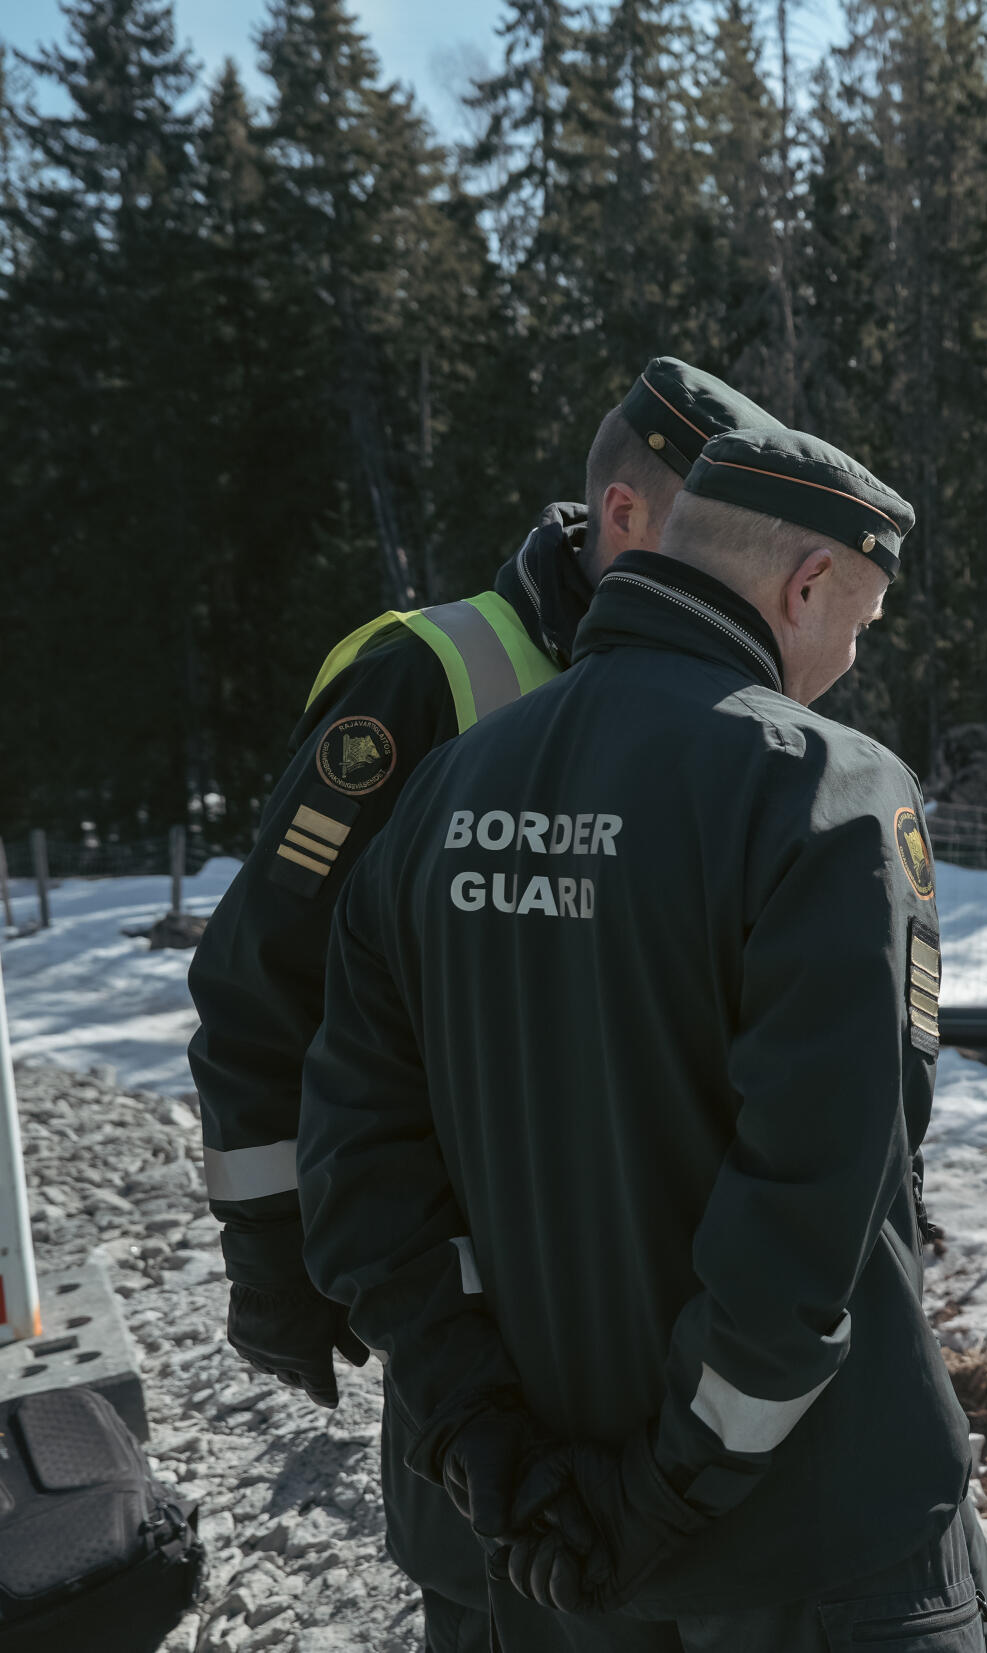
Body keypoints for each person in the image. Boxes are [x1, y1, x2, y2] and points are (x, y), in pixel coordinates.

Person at [296, 428, 987, 1652]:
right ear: (806, 583)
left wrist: (491, 1453)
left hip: (532, 1543)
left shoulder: (442, 793)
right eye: (863, 622)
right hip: (804, 1542)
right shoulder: (823, 791)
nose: (845, 658)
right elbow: (815, 1201)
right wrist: (666, 1489)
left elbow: (359, 1173)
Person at [186, 359, 785, 1650]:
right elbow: (262, 981)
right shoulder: (433, 679)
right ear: (628, 518)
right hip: (480, 1306)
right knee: (510, 1590)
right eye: (718, 530)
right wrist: (277, 1259)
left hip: (671, 1294)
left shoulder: (737, 692)